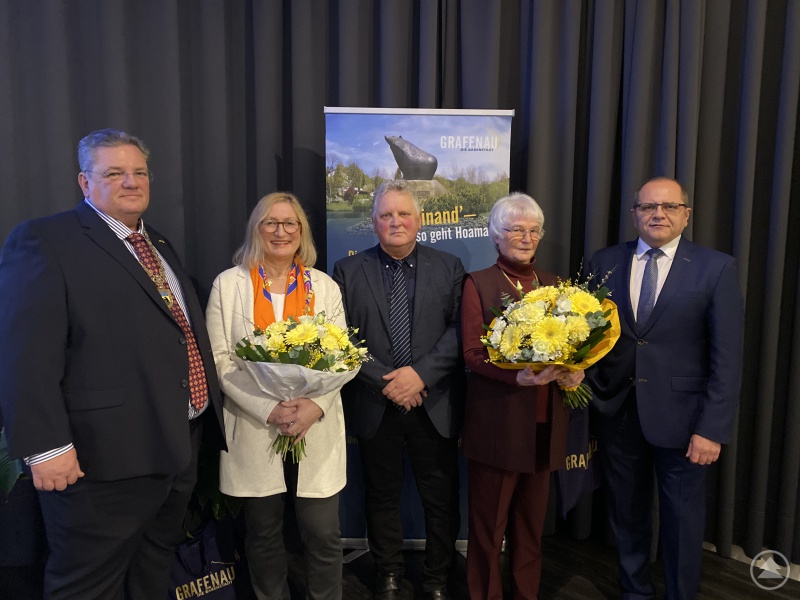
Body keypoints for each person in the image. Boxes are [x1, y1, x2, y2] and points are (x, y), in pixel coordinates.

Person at [0, 129, 225, 599]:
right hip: (101, 462)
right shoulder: (46, 240)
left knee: (151, 571)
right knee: (86, 584)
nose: (130, 182)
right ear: (85, 182)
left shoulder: (157, 242)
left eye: (139, 172)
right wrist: (45, 448)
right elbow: (24, 355)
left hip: (174, 448)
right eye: (114, 173)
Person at [586, 177, 744, 600]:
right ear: (634, 213)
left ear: (686, 215)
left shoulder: (716, 268)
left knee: (681, 520)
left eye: (670, 206)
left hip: (686, 422)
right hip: (619, 412)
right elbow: (588, 335)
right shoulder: (604, 261)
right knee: (626, 513)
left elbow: (727, 359)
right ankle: (635, 591)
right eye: (648, 207)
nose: (659, 214)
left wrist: (712, 429)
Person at [205, 192, 347, 600]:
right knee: (263, 533)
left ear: (301, 231)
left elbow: (342, 357)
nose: (280, 232)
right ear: (257, 228)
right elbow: (220, 361)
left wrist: (314, 406)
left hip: (314, 425)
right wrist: (269, 409)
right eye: (271, 222)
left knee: (322, 533)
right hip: (255, 423)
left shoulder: (324, 287)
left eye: (289, 223)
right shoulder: (228, 285)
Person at [332, 180, 464, 600]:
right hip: (377, 402)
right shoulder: (348, 271)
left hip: (433, 402)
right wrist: (388, 382)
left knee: (440, 498)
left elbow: (460, 331)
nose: (395, 222)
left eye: (403, 214)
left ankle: (437, 578)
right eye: (386, 215)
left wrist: (419, 376)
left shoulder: (450, 267)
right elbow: (340, 338)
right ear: (373, 223)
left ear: (419, 220)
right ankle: (388, 572)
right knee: (381, 495)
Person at [460, 192, 584, 599]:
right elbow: (473, 355)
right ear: (496, 235)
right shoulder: (479, 283)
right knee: (488, 530)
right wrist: (518, 379)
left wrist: (575, 371)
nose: (526, 237)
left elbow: (572, 346)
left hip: (546, 425)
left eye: (533, 230)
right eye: (515, 229)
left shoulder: (555, 284)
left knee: (531, 529)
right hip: (499, 426)